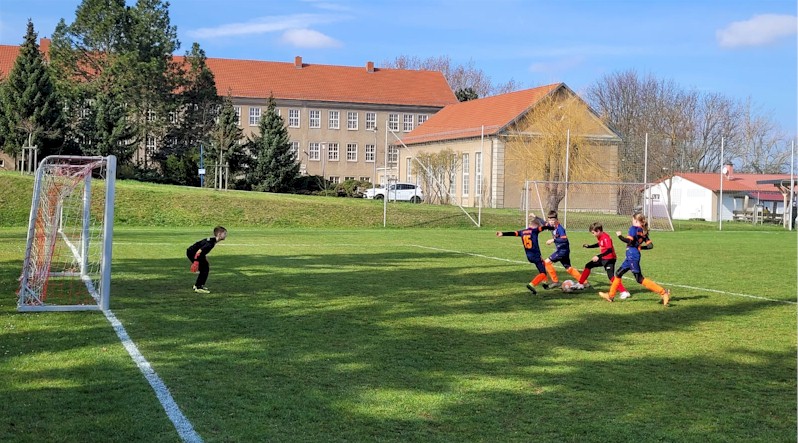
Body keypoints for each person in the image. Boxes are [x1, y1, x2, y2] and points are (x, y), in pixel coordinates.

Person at [599, 213, 670, 305]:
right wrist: (640, 247)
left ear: (635, 220)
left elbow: (629, 241)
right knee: (618, 273)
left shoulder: (633, 228)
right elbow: (650, 246)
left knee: (639, 279)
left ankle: (663, 293)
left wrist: (619, 236)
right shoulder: (643, 231)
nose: (632, 221)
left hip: (632, 255)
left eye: (632, 219)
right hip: (632, 255)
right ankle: (610, 295)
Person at [574, 222, 631, 299]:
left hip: (610, 259)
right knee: (588, 265)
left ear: (598, 231)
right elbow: (600, 244)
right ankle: (580, 284)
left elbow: (609, 250)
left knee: (611, 277)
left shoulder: (606, 237)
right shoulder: (600, 236)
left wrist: (598, 256)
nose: (592, 234)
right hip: (604, 258)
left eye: (593, 233)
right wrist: (589, 246)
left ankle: (624, 292)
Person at [496, 214, 550, 295]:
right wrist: (551, 227)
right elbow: (543, 227)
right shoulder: (535, 231)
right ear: (536, 226)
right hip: (536, 255)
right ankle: (532, 284)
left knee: (543, 264)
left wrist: (502, 234)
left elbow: (513, 233)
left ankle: (545, 283)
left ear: (529, 225)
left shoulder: (522, 232)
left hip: (529, 256)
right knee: (543, 273)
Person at [540, 210, 582, 289]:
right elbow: (544, 223)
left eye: (553, 220)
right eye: (550, 220)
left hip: (562, 251)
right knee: (568, 268)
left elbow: (564, 239)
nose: (551, 222)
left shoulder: (560, 228)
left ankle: (555, 281)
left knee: (546, 262)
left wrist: (553, 240)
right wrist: (535, 217)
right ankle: (584, 282)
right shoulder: (551, 226)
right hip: (564, 250)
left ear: (556, 219)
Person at [186, 226, 227, 293]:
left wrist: (204, 258)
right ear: (219, 234)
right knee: (204, 269)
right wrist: (196, 262)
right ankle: (198, 287)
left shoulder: (213, 240)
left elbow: (202, 251)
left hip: (195, 253)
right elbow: (199, 252)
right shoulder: (210, 244)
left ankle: (199, 285)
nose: (226, 235)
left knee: (205, 267)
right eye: (224, 234)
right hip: (192, 253)